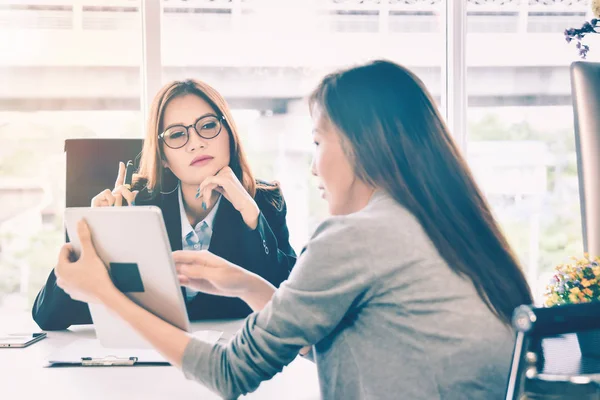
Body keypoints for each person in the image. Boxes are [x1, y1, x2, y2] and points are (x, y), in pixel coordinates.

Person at [53, 60, 533, 399]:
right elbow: (322, 338)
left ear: (360, 147)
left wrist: (102, 291)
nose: (313, 167)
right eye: (177, 135)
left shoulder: (354, 236)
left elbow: (228, 373)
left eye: (318, 141)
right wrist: (243, 283)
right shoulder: (450, 224)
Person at [33, 79, 297, 330]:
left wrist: (251, 216)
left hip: (233, 356)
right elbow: (49, 316)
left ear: (229, 134)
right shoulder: (134, 206)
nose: (196, 143)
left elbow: (289, 307)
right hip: (151, 357)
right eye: (176, 134)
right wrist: (92, 241)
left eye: (207, 126)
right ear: (164, 158)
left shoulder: (263, 201)